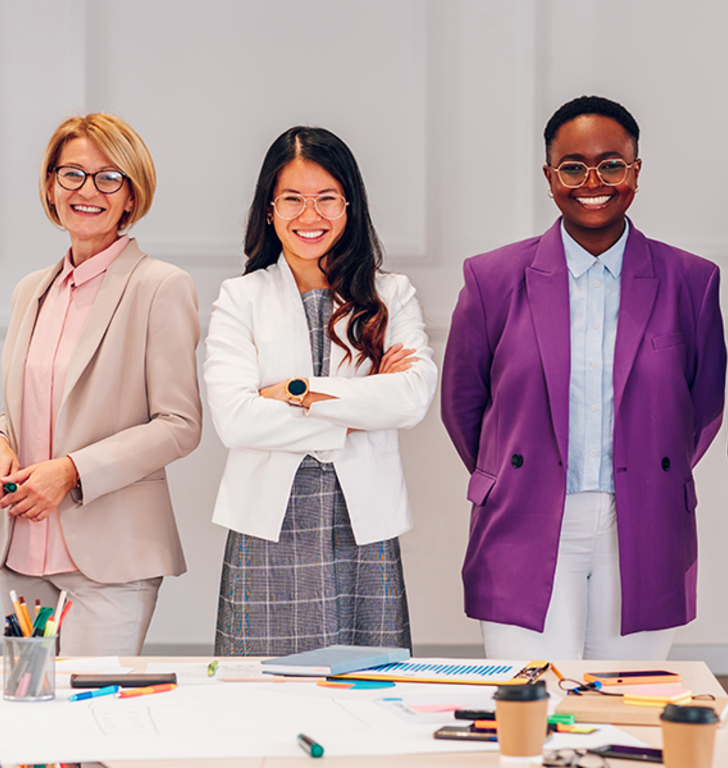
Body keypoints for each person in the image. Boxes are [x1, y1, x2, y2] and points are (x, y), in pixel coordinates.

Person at [442, 96, 726, 660]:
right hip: (525, 516)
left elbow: (703, 405)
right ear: (550, 177)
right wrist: (513, 472)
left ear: (635, 172)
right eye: (573, 166)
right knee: (534, 709)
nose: (592, 180)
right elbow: (463, 403)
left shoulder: (691, 281)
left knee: (624, 716)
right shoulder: (493, 278)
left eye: (611, 164)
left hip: (644, 517)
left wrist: (646, 467)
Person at [0, 113, 202, 655]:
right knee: (29, 713)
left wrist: (71, 471)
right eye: (72, 174)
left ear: (131, 195)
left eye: (109, 177)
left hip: (111, 557)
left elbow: (179, 425)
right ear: (51, 186)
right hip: (21, 547)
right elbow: (26, 405)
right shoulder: (31, 290)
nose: (87, 190)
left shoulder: (160, 286)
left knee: (89, 725)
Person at [204, 126, 437, 656]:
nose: (310, 216)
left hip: (363, 526)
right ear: (269, 209)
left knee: (368, 687)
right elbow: (236, 419)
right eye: (293, 199)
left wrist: (293, 392)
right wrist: (361, 402)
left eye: (326, 198)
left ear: (349, 205)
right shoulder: (241, 298)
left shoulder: (391, 294)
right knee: (259, 693)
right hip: (268, 527)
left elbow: (412, 398)